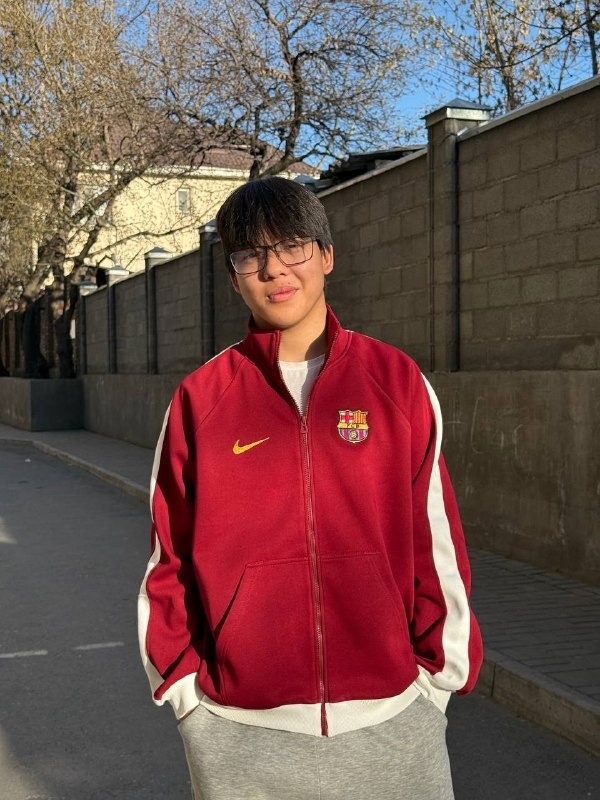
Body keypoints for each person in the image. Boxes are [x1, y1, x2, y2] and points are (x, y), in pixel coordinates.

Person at [138, 176, 483, 800]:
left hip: (392, 719)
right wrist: (186, 697)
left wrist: (436, 682)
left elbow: (436, 539)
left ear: (326, 255)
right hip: (241, 733)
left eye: (292, 246)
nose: (274, 269)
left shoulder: (395, 382)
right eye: (251, 255)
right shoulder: (201, 401)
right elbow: (171, 559)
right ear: (234, 276)